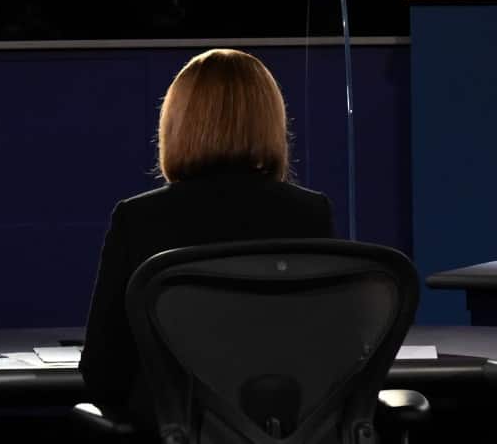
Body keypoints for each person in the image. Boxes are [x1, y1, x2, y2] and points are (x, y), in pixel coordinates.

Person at [80, 48, 337, 423]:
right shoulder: (310, 213)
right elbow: (327, 352)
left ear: (177, 123)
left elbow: (103, 369)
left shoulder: (139, 218)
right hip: (282, 428)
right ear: (272, 122)